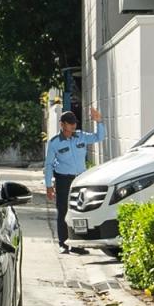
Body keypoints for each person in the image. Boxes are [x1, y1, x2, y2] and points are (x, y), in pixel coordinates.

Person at [44, 108, 105, 254]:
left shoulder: (81, 136)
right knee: (64, 211)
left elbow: (99, 137)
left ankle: (77, 244)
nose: (73, 126)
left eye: (74, 123)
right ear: (62, 124)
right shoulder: (54, 143)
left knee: (79, 211)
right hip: (63, 180)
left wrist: (99, 121)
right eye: (70, 123)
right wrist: (48, 186)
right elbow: (49, 165)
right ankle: (63, 243)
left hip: (80, 181)